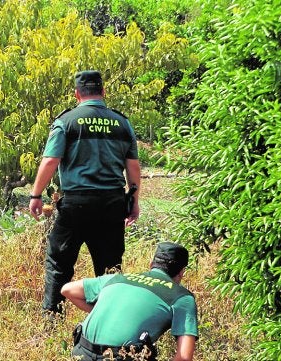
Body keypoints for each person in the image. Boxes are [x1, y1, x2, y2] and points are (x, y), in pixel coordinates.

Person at [29, 70, 141, 316]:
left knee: (59, 263)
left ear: (77, 94)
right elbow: (132, 167)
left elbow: (50, 161)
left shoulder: (66, 122)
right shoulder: (122, 123)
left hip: (77, 204)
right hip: (112, 203)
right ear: (103, 92)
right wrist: (134, 201)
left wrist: (36, 195)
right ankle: (109, 318)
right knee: (110, 267)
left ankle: (51, 318)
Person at [61, 242, 198, 361]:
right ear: (181, 272)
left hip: (81, 352)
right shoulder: (182, 297)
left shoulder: (117, 278)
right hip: (123, 356)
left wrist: (108, 311)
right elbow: (184, 357)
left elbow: (67, 290)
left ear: (151, 264)